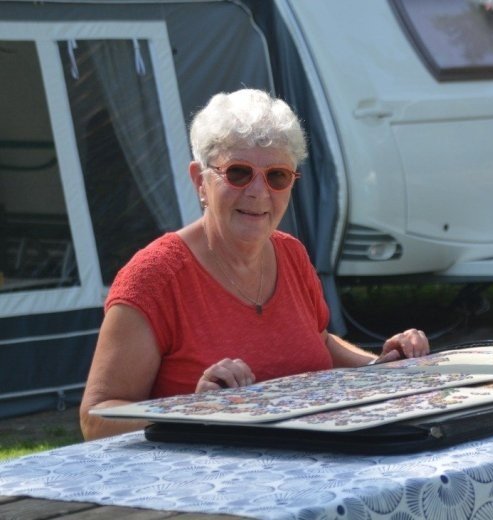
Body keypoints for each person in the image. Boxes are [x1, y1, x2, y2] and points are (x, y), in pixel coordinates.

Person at [79, 89, 429, 441]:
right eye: (239, 173)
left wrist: (382, 366)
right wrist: (193, 412)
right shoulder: (154, 277)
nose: (259, 192)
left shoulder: (290, 254)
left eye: (277, 176)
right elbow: (95, 420)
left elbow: (318, 341)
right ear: (200, 181)